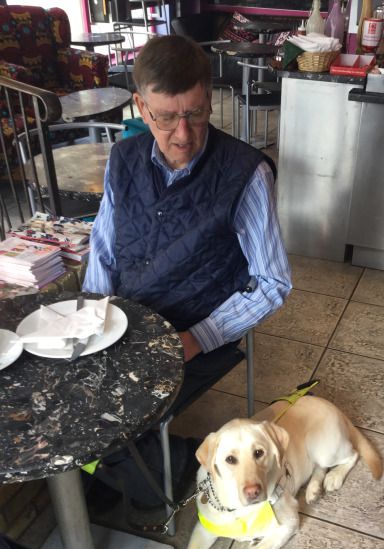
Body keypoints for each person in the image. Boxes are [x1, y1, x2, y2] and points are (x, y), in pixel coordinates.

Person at [82, 35, 291, 523]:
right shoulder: (123, 160)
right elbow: (104, 249)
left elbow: (273, 282)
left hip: (194, 328)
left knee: (109, 416)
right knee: (62, 393)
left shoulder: (246, 172)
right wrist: (93, 314)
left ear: (210, 98)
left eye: (195, 113)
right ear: (140, 105)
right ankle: (137, 472)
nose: (182, 134)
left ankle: (174, 473)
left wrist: (197, 338)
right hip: (124, 320)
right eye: (165, 117)